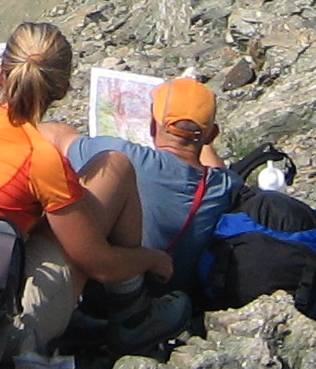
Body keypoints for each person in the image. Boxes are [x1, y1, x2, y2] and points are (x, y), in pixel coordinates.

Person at [0, 22, 187, 357]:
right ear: (61, 90)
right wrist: (152, 260)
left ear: (0, 76)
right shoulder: (40, 157)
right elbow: (101, 264)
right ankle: (134, 315)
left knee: (41, 220)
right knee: (114, 170)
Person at [63, 75, 241, 297]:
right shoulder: (224, 186)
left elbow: (58, 136)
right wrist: (199, 136)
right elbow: (216, 166)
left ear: (151, 125)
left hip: (102, 292)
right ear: (212, 135)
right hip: (171, 297)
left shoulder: (122, 154)